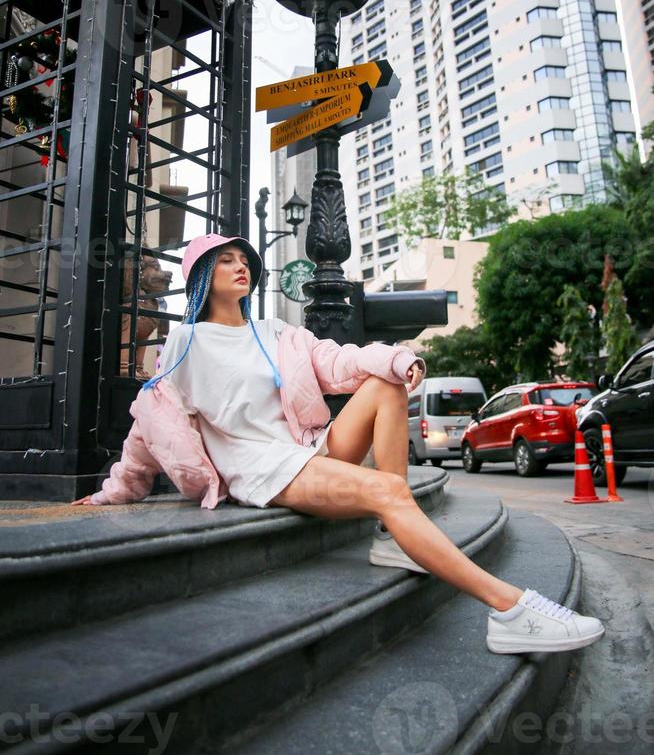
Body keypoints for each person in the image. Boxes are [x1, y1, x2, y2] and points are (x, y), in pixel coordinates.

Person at [73, 233, 604, 655]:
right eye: (225, 259)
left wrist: (396, 359)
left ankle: (394, 537)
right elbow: (149, 424)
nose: (241, 266)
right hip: (262, 470)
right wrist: (115, 491)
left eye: (243, 258)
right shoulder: (186, 345)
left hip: (307, 452)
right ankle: (510, 610)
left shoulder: (273, 332)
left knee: (385, 384)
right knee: (391, 493)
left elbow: (337, 361)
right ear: (201, 277)